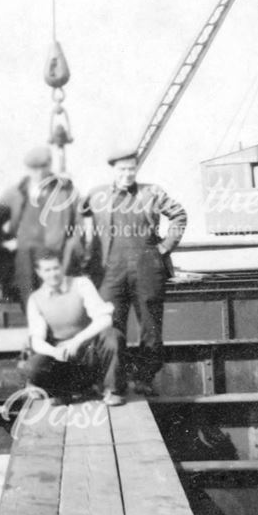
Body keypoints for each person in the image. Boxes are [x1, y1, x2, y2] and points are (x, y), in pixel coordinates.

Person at [74, 148, 187, 396]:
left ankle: (145, 378)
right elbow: (75, 218)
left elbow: (179, 215)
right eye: (122, 169)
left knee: (151, 327)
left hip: (147, 268)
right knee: (109, 326)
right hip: (109, 272)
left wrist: (166, 246)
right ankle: (114, 382)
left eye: (131, 169)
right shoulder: (96, 195)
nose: (127, 174)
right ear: (113, 170)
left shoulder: (152, 192)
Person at [24, 249, 125, 405]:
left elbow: (105, 319)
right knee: (32, 367)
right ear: (39, 272)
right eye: (47, 270)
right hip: (62, 355)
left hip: (88, 349)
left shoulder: (81, 284)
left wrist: (77, 341)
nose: (53, 274)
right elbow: (37, 339)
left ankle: (112, 390)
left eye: (56, 268)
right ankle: (67, 390)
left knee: (112, 336)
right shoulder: (36, 299)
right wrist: (54, 351)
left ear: (62, 267)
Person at [0, 146, 78, 308]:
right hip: (23, 257)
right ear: (27, 169)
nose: (39, 174)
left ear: (50, 165)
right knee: (29, 302)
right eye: (34, 169)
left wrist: (70, 252)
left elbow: (77, 226)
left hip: (54, 256)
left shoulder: (65, 191)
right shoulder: (15, 192)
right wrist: (3, 242)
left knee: (57, 303)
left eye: (43, 168)